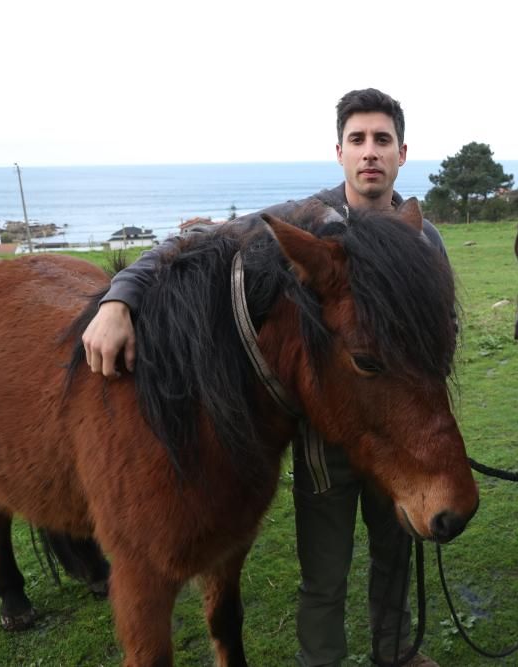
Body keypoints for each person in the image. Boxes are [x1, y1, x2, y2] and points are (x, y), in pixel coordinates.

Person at [82, 88, 443, 667]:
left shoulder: (422, 239)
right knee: (323, 569)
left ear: (403, 152)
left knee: (396, 547)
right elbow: (187, 245)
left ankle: (395, 649)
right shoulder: (306, 221)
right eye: (358, 140)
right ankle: (319, 660)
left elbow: (435, 340)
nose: (370, 152)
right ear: (340, 152)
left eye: (383, 140)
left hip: (397, 429)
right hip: (326, 440)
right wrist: (119, 298)